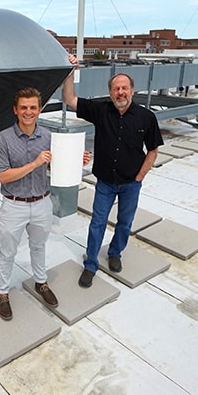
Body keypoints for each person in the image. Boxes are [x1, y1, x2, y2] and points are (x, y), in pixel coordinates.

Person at [62, 56, 163, 288]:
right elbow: (69, 98)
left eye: (124, 88)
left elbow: (153, 151)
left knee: (124, 223)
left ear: (132, 91)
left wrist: (139, 177)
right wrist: (70, 72)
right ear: (110, 93)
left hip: (131, 183)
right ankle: (90, 265)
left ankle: (115, 252)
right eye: (116, 89)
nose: (120, 92)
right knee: (97, 222)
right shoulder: (100, 110)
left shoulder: (146, 117)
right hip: (105, 183)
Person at [0, 87, 91, 320]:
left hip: (41, 203)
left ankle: (41, 283)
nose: (29, 112)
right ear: (16, 110)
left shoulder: (48, 137)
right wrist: (35, 163)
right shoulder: (2, 139)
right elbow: (3, 176)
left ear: (40, 109)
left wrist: (77, 159)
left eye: (33, 107)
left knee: (39, 246)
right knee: (8, 252)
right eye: (24, 107)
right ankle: (3, 293)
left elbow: (51, 167)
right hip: (14, 205)